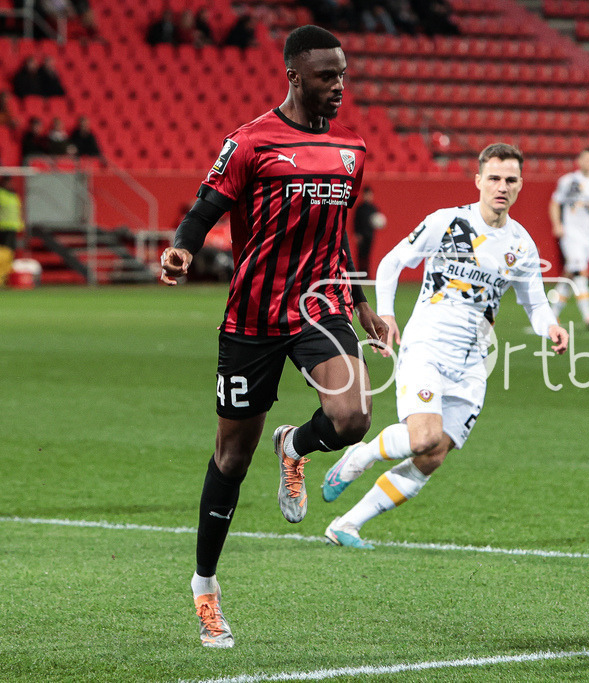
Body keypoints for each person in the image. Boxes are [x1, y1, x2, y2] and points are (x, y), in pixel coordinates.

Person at [159, 25, 390, 649]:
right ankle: (205, 588)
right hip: (254, 319)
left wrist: (363, 305)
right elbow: (205, 207)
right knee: (231, 458)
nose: (338, 85)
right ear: (294, 75)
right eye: (326, 76)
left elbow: (338, 233)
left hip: (321, 309)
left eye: (343, 73)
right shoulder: (251, 141)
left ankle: (295, 445)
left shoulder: (352, 146)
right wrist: (181, 248)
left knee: (353, 418)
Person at [319, 143, 570, 549]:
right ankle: (361, 456)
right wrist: (387, 314)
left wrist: (551, 327)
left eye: (510, 179)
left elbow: (535, 302)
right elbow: (391, 263)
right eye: (494, 178)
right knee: (421, 437)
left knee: (432, 455)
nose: (501, 186)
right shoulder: (447, 223)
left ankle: (346, 524)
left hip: (474, 363)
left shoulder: (521, 245)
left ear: (521, 185)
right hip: (428, 347)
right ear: (478, 181)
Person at [547, 148, 589, 330]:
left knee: (571, 272)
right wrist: (557, 224)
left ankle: (551, 315)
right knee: (580, 272)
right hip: (570, 232)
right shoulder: (568, 181)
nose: (588, 162)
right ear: (579, 161)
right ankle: (588, 316)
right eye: (585, 158)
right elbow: (554, 203)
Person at [352, 185, 385, 276]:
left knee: (367, 256)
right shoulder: (360, 208)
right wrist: (356, 234)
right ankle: (360, 274)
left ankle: (366, 274)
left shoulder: (373, 208)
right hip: (361, 236)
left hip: (369, 235)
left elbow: (377, 222)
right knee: (360, 256)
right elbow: (355, 221)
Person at [0, 176, 25, 286]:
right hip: (3, 228)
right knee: (4, 253)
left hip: (13, 228)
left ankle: (5, 277)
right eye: (9, 182)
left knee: (10, 254)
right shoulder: (1, 194)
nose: (11, 184)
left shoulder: (14, 195)